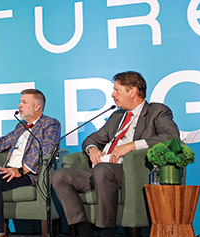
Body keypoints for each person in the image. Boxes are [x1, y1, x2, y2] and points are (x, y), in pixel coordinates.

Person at [52, 71, 180, 237]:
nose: (113, 95)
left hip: (130, 172)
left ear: (132, 91)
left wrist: (132, 146)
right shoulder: (117, 116)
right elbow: (91, 139)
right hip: (102, 169)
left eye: (117, 90)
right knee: (60, 176)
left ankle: (107, 231)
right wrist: (92, 149)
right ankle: (83, 229)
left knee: (103, 170)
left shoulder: (157, 111)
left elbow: (172, 136)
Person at [0, 89, 61, 237]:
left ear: (37, 107)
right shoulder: (21, 126)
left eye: (24, 102)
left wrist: (20, 170)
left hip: (28, 174)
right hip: (9, 171)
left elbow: (46, 150)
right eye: (20, 102)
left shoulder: (51, 123)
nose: (19, 105)